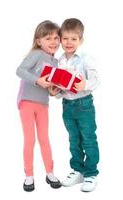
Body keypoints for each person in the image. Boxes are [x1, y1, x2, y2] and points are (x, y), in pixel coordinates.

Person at [50, 18, 100, 192]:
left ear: (81, 40)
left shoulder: (85, 59)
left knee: (88, 139)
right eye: (65, 39)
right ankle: (78, 170)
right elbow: (61, 87)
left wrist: (84, 85)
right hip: (67, 105)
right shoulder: (59, 61)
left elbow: (96, 80)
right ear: (61, 39)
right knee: (73, 140)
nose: (69, 42)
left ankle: (91, 173)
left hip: (84, 105)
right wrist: (55, 92)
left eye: (73, 39)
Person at [16, 20, 61, 192]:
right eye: (48, 38)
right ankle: (29, 175)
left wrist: (54, 91)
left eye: (56, 38)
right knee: (30, 139)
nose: (53, 42)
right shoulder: (36, 53)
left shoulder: (56, 63)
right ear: (38, 40)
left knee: (44, 139)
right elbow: (20, 70)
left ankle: (50, 173)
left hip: (43, 104)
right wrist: (37, 80)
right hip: (27, 101)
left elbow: (50, 90)